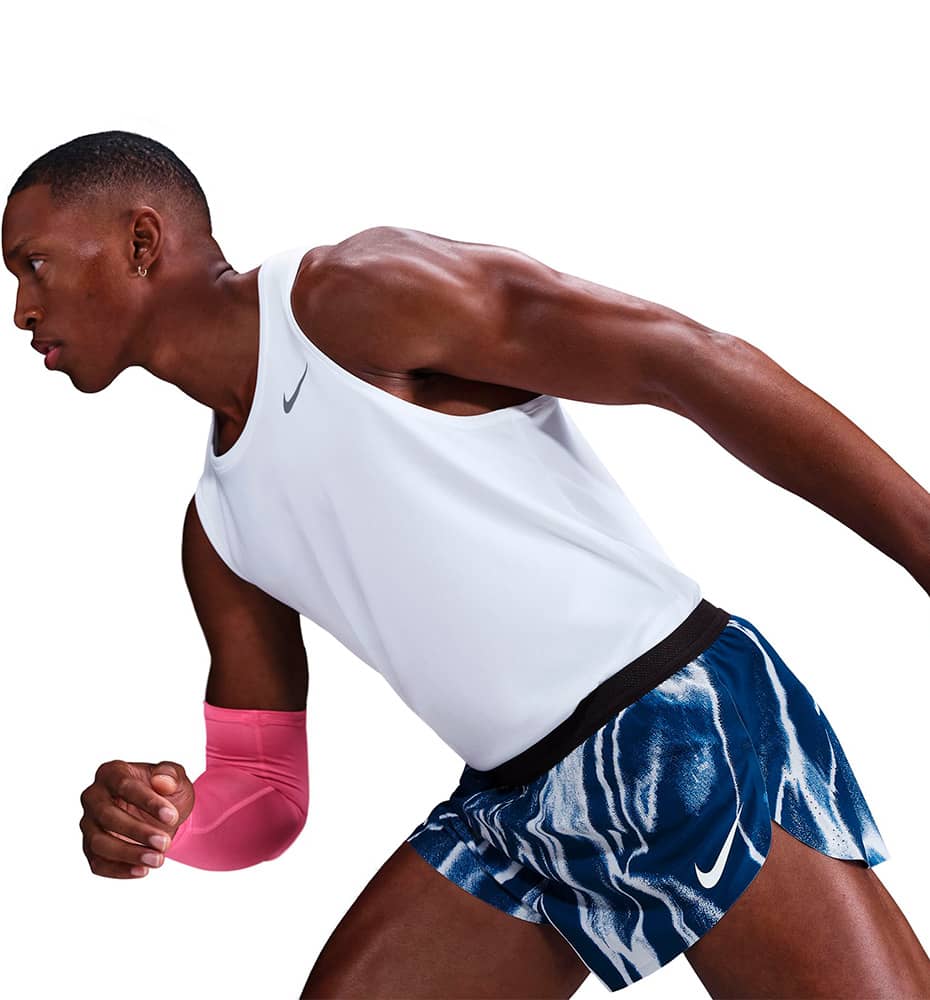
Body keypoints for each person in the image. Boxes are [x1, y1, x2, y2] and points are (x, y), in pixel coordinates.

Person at [4, 129, 929, 998]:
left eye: (33, 264)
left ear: (140, 242)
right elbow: (267, 793)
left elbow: (685, 360)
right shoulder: (218, 530)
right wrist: (170, 822)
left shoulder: (351, 297)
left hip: (676, 731)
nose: (22, 311)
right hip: (518, 814)